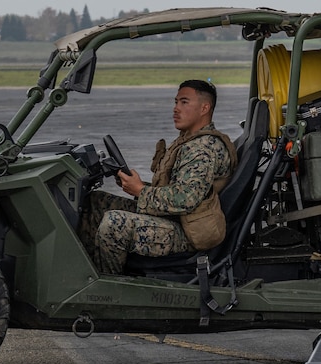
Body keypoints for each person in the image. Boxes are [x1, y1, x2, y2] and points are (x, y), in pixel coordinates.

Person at [83, 79, 237, 276]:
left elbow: (186, 199)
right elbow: (181, 190)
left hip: (188, 232)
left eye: (184, 102)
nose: (175, 109)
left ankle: (109, 289)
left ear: (204, 108)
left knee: (114, 224)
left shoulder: (203, 149)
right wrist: (136, 185)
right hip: (177, 218)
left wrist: (140, 190)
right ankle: (90, 273)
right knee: (95, 203)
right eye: (176, 102)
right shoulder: (189, 141)